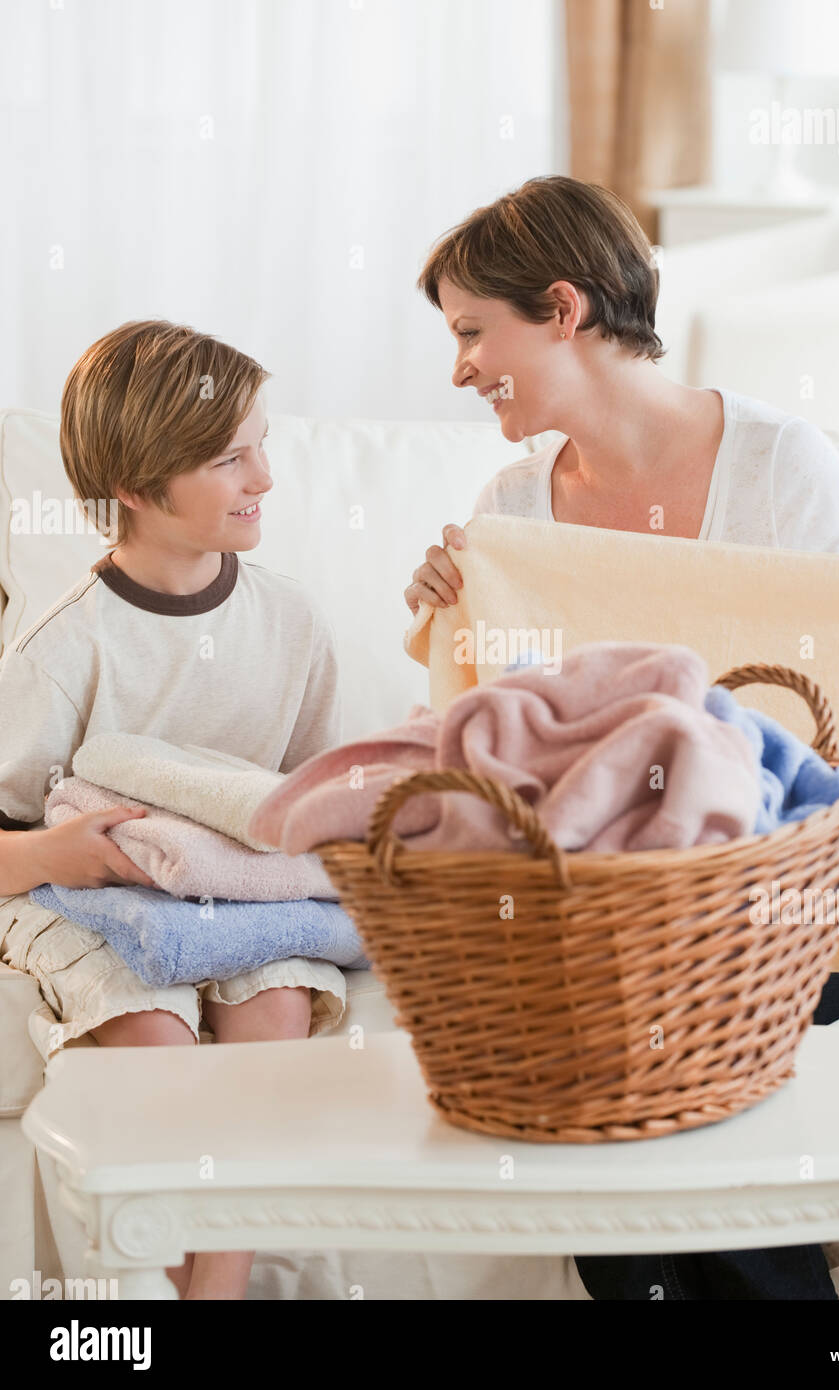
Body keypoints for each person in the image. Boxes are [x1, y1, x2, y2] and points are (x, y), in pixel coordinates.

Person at [405, 174, 839, 1300]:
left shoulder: (781, 465)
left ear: (564, 308)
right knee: (622, 1040)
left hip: (798, 890)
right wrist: (451, 607)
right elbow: (512, 750)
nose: (458, 370)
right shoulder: (512, 512)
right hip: (628, 912)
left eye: (472, 332)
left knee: (627, 1045)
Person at [0, 321, 347, 1300]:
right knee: (157, 1041)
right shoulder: (62, 646)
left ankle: (211, 1295)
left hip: (241, 897)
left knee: (275, 1005)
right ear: (143, 490)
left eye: (262, 443)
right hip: (79, 894)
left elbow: (318, 800)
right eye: (231, 456)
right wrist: (66, 853)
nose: (265, 476)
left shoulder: (290, 623)